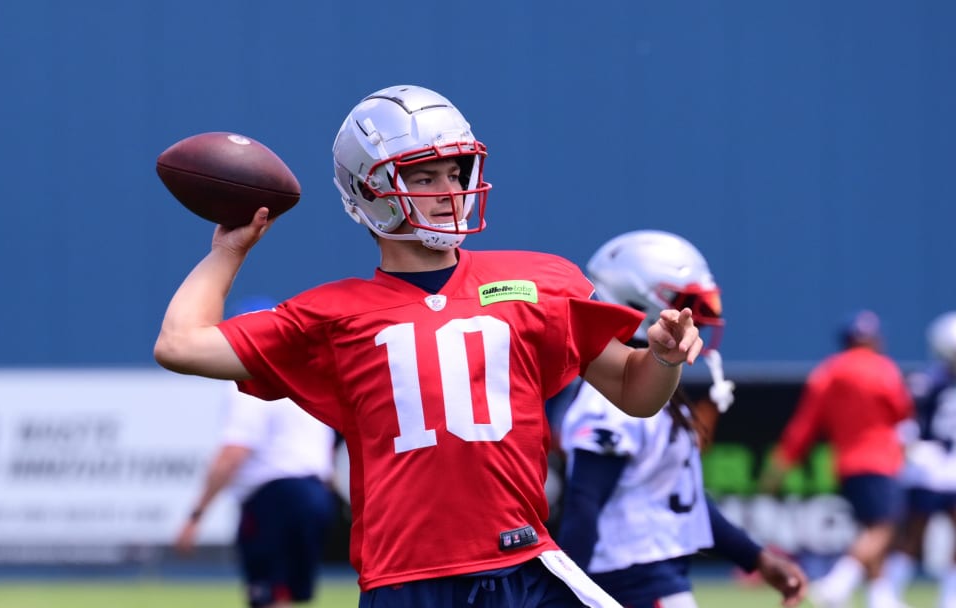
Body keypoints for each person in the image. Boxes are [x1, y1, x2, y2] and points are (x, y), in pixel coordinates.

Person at [154, 84, 704, 608]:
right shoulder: (331, 314)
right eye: (422, 177)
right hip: (405, 578)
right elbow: (181, 344)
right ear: (370, 190)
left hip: (522, 564)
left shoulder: (538, 282)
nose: (447, 190)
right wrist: (228, 251)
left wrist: (662, 358)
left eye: (453, 171)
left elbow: (636, 393)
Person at [555, 230, 807, 608]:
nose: (699, 321)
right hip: (629, 581)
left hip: (657, 578)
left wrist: (756, 559)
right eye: (686, 304)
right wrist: (563, 592)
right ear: (636, 301)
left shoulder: (660, 395)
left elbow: (682, 501)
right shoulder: (608, 401)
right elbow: (584, 503)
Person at [760, 309, 915, 608]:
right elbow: (903, 414)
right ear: (874, 339)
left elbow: (803, 427)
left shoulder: (828, 372)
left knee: (870, 529)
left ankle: (880, 597)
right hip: (882, 461)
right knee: (883, 528)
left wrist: (780, 465)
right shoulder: (884, 370)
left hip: (847, 465)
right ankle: (837, 584)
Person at [174, 383, 337, 608]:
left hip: (273, 498)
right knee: (284, 595)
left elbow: (234, 451)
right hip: (316, 494)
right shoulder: (303, 377)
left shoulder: (249, 381)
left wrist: (196, 515)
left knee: (267, 596)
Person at [878, 311, 956, 608]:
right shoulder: (927, 382)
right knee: (913, 534)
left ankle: (950, 598)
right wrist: (912, 447)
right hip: (928, 469)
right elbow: (906, 422)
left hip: (953, 467)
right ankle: (890, 593)